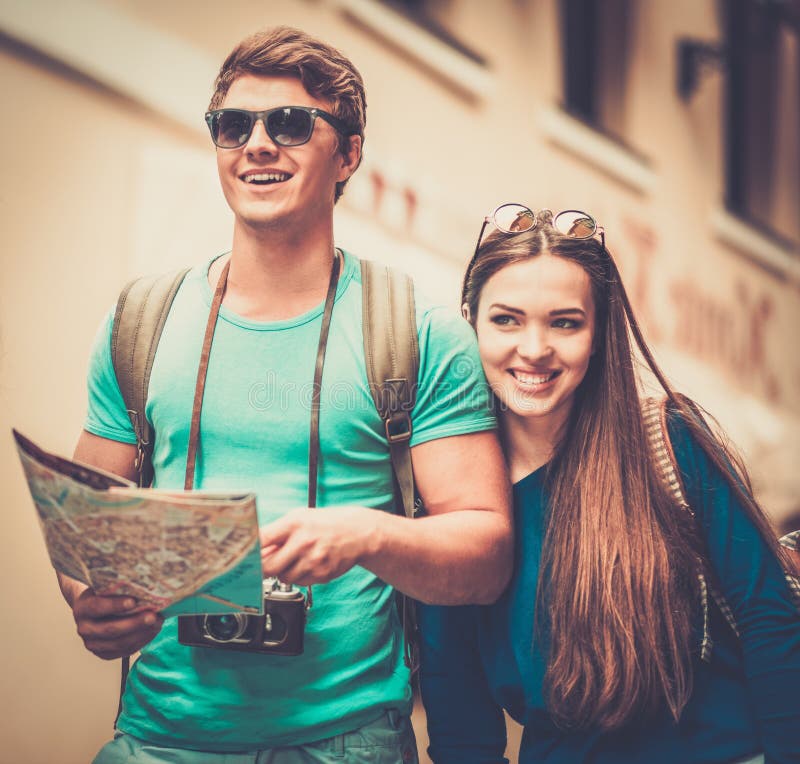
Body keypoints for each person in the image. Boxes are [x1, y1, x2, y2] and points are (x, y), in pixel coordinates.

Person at [56, 27, 513, 763]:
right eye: (233, 126)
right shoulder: (140, 321)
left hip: (347, 742)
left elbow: (487, 556)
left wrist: (367, 535)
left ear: (349, 153)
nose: (257, 144)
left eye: (291, 124)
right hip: (156, 740)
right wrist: (87, 599)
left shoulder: (416, 332)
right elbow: (86, 524)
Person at [418, 205, 800, 764]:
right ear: (470, 323)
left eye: (565, 322)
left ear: (598, 336)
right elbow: (460, 725)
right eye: (506, 320)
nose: (535, 348)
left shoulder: (669, 441)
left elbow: (770, 621)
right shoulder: (452, 503)